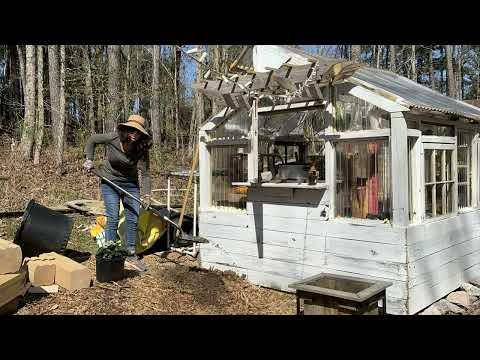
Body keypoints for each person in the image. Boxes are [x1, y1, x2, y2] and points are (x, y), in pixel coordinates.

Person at [83, 115, 152, 272]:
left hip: (130, 185)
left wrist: (147, 195)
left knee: (133, 218)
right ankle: (110, 252)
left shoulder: (141, 149)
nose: (134, 133)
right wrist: (89, 159)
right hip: (110, 181)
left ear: (142, 134)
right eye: (132, 130)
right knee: (113, 216)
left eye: (138, 131)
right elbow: (93, 140)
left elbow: (146, 174)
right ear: (126, 129)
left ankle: (130, 253)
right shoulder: (113, 138)